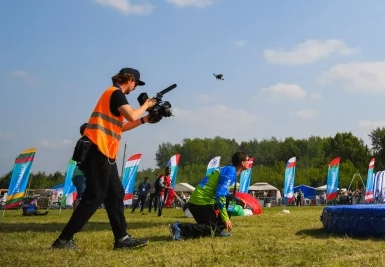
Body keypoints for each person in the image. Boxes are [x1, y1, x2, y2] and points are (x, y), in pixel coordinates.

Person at [51, 68, 160, 250]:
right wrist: (146, 105)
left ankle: (122, 239)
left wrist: (145, 120)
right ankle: (63, 240)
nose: (134, 89)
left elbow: (121, 127)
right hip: (97, 150)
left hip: (105, 153)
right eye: (135, 84)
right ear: (130, 79)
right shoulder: (115, 93)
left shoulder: (114, 96)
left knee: (115, 194)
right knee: (95, 196)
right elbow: (132, 114)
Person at [169, 151, 252, 240]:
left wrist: (237, 199)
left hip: (204, 201)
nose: (250, 161)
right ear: (242, 163)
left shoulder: (230, 170)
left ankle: (219, 230)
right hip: (200, 203)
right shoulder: (230, 172)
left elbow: (222, 192)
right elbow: (220, 195)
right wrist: (225, 218)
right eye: (248, 160)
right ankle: (179, 228)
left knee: (232, 199)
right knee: (212, 229)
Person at [71, 123, 87, 209]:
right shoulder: (85, 141)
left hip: (79, 174)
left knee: (82, 193)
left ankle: (79, 210)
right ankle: (78, 210)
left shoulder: (81, 141)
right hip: (80, 173)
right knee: (82, 194)